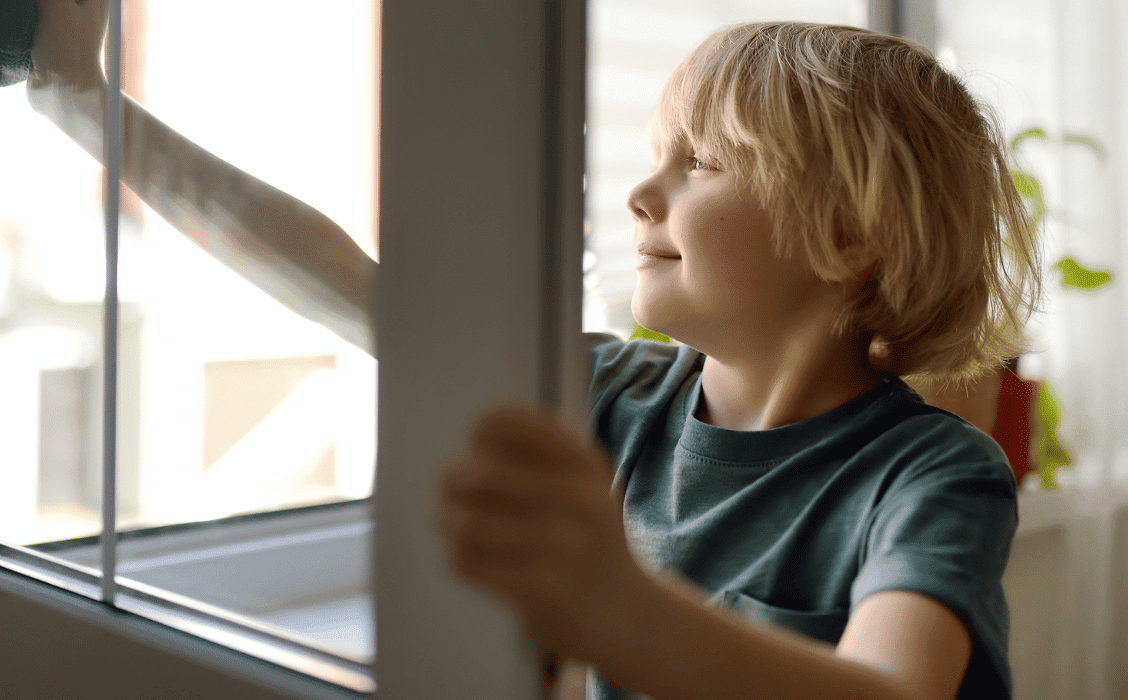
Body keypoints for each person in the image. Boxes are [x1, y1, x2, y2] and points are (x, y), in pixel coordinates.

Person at [28, 4, 1040, 698]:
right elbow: (334, 275)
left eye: (703, 163)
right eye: (655, 159)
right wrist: (85, 105)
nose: (644, 195)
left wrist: (619, 607)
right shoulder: (606, 392)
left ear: (853, 237)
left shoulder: (933, 474)